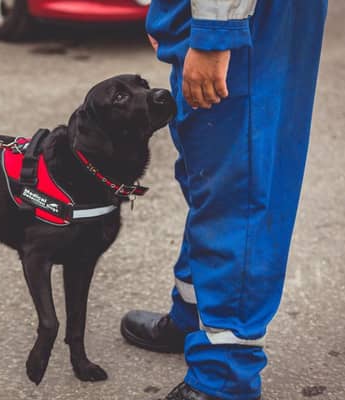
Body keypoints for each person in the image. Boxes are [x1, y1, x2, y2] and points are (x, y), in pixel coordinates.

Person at [120, 1, 328, 399]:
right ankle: (195, 317)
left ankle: (223, 376)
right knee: (209, 176)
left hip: (240, 18)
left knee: (238, 190)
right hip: (224, 14)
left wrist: (215, 35)